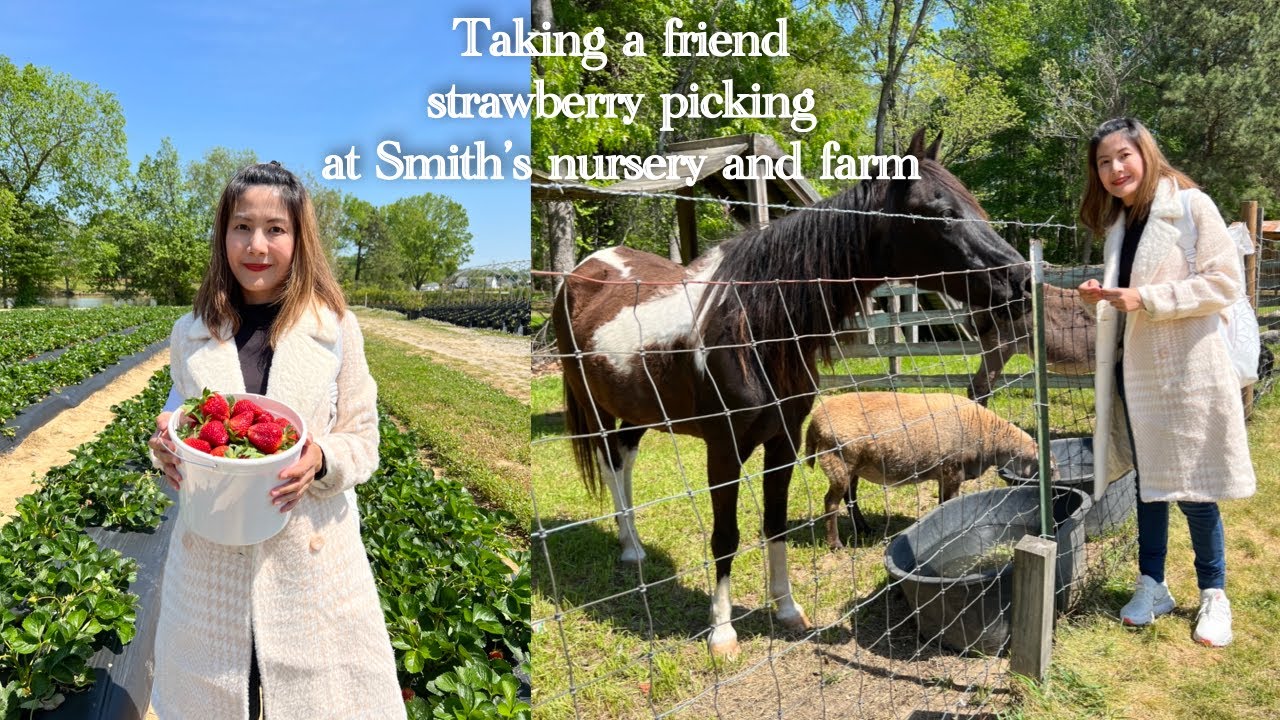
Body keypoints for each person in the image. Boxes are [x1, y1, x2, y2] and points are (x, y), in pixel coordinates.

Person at [147, 162, 406, 718]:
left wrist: (320, 457)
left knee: (320, 700)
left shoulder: (334, 327)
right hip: (213, 559)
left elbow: (362, 436)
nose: (256, 245)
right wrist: (165, 447)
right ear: (223, 235)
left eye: (275, 229)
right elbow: (179, 412)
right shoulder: (192, 332)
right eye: (241, 227)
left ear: (298, 238)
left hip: (310, 561)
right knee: (215, 695)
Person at [1077, 117, 1255, 647]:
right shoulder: (1118, 225)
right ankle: (1152, 583)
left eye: (1122, 156)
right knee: (1149, 484)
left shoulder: (1192, 206)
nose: (1114, 169)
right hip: (1134, 371)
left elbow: (1223, 283)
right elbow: (1125, 302)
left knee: (1196, 487)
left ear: (1145, 154)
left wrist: (1147, 299)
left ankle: (1214, 593)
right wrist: (1101, 299)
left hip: (1186, 368)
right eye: (1103, 162)